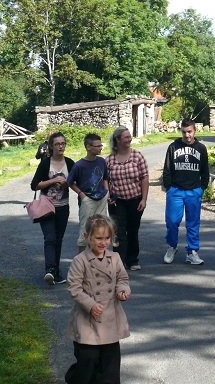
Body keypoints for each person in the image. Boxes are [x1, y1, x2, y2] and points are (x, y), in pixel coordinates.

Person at [65, 214, 130, 384]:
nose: (103, 242)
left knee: (111, 362)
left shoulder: (114, 258)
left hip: (110, 315)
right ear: (87, 237)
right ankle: (75, 378)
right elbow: (74, 287)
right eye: (98, 238)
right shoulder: (80, 261)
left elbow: (122, 279)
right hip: (87, 318)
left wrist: (123, 290)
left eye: (107, 238)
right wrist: (90, 304)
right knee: (88, 359)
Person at [162, 118, 209, 266]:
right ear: (181, 131)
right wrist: (169, 187)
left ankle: (192, 252)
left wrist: (202, 188)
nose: (187, 135)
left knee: (193, 223)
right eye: (184, 132)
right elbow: (167, 169)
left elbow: (205, 171)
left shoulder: (201, 148)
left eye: (189, 132)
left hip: (194, 191)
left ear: (194, 131)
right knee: (172, 221)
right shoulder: (173, 147)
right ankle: (172, 246)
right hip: (175, 190)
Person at [30, 131, 74, 285]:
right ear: (51, 146)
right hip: (46, 207)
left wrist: (67, 183)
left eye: (63, 143)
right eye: (57, 144)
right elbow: (34, 185)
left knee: (59, 240)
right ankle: (49, 270)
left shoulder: (69, 163)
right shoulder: (45, 163)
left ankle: (56, 271)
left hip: (63, 207)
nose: (60, 146)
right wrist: (52, 181)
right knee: (50, 238)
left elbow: (75, 183)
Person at [106, 126, 149, 271]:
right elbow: (105, 180)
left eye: (129, 136)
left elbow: (144, 178)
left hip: (135, 199)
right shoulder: (109, 160)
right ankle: (119, 262)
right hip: (117, 202)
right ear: (117, 140)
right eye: (126, 137)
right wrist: (108, 196)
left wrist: (144, 199)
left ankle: (133, 260)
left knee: (132, 230)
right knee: (118, 232)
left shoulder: (137, 156)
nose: (129, 139)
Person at [67, 133, 110, 254]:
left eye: (100, 145)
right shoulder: (79, 165)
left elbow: (105, 178)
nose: (100, 148)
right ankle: (81, 263)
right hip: (87, 200)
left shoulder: (101, 161)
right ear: (88, 147)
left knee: (102, 230)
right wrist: (81, 194)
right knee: (85, 231)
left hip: (101, 198)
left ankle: (100, 259)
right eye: (97, 146)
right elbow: (70, 182)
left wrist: (107, 192)